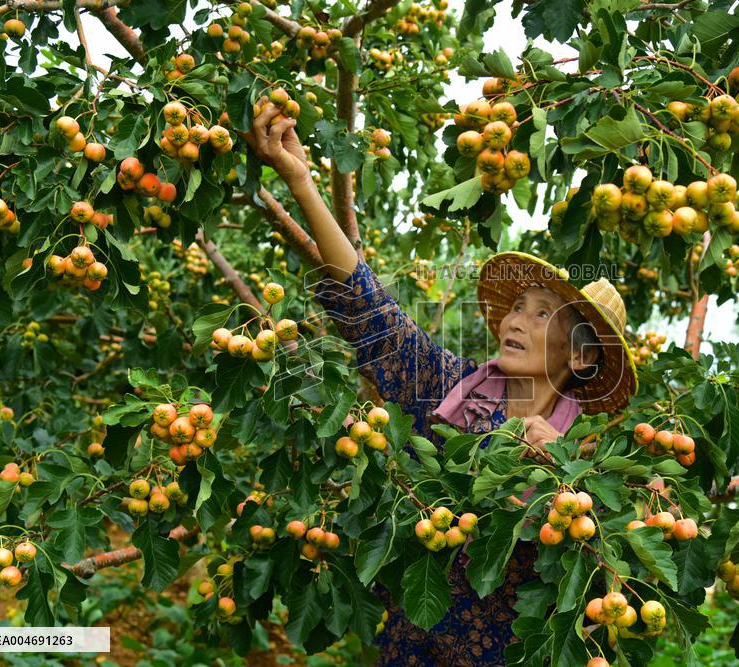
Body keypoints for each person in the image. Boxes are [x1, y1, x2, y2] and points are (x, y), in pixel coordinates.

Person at [244, 107, 638, 665]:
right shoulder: (445, 385)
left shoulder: (590, 464)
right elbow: (369, 308)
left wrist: (571, 485)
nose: (515, 322)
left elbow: (606, 580)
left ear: (579, 355)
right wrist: (300, 180)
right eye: (516, 308)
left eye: (542, 314)